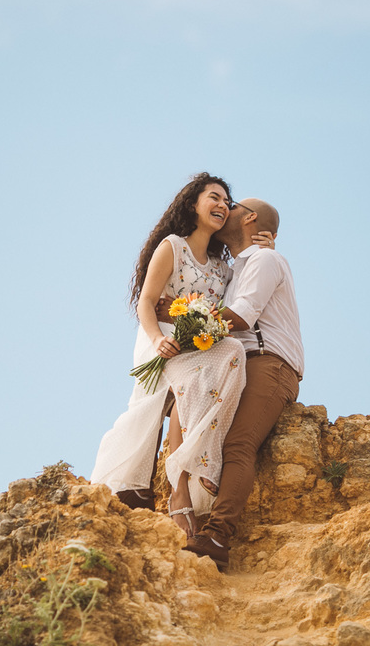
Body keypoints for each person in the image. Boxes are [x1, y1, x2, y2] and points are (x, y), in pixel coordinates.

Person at [91, 174, 271, 538]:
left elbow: (247, 285)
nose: (222, 205)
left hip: (199, 344)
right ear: (193, 204)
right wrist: (158, 338)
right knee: (148, 410)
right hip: (162, 340)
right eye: (214, 198)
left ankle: (183, 484)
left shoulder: (223, 270)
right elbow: (146, 301)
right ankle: (155, 488)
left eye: (227, 201)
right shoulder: (172, 246)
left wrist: (263, 247)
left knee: (231, 353)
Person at [182, 197, 303, 570]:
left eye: (230, 205)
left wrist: (184, 327)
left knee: (239, 443)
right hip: (238, 364)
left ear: (249, 217)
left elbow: (243, 317)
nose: (223, 210)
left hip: (268, 365)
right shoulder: (237, 269)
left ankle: (217, 535)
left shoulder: (265, 260)